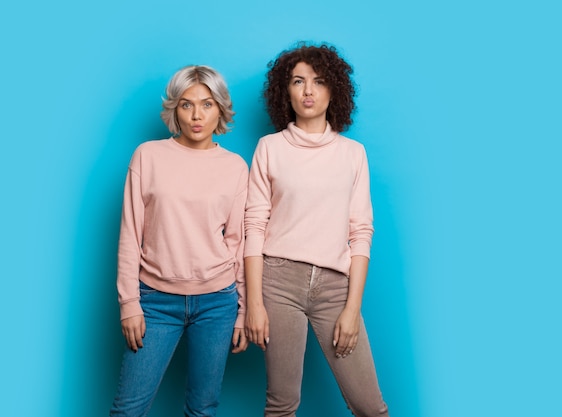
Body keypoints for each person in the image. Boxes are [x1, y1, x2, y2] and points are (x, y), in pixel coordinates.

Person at [243, 43, 390, 417]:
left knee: (370, 407)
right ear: (285, 91)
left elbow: (360, 232)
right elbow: (254, 227)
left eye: (319, 81)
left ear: (333, 90)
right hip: (278, 283)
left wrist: (352, 309)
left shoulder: (352, 153)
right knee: (281, 404)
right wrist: (255, 304)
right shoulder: (269, 148)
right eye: (298, 81)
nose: (308, 91)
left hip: (335, 289)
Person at [109, 65, 248, 417]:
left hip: (217, 303)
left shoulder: (235, 167)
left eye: (207, 104)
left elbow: (238, 242)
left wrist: (243, 310)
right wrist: (129, 303)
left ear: (220, 109)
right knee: (128, 410)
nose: (196, 115)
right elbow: (130, 234)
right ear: (174, 109)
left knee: (202, 409)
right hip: (155, 301)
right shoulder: (148, 156)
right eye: (186, 105)